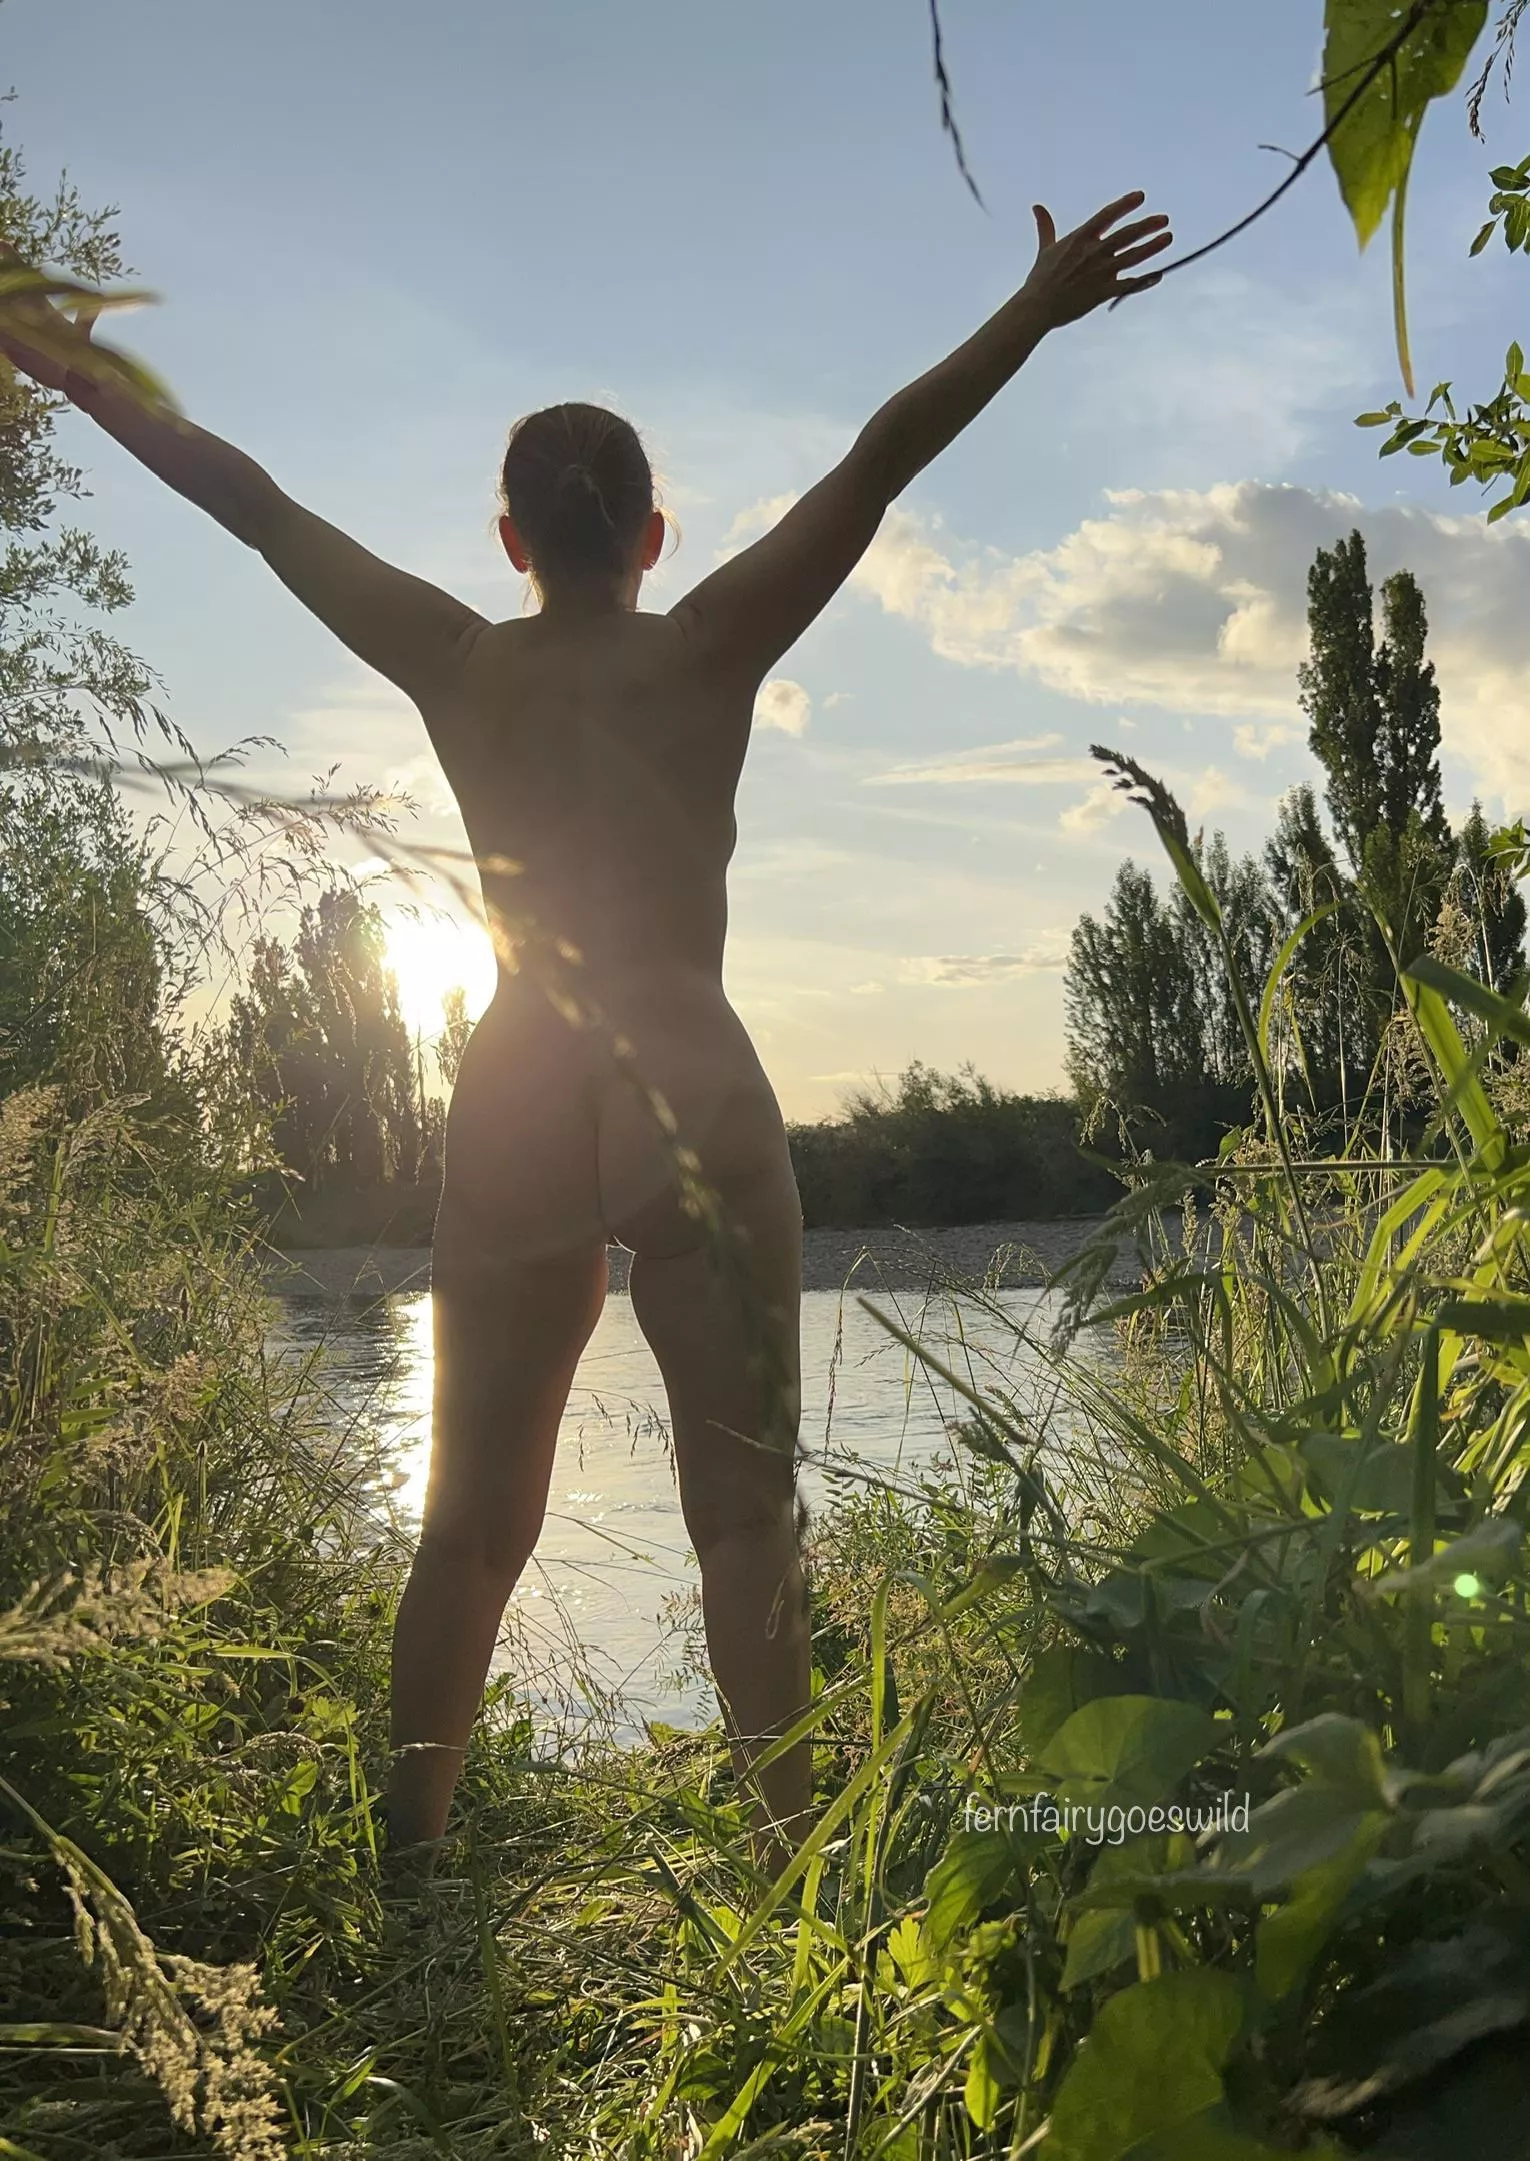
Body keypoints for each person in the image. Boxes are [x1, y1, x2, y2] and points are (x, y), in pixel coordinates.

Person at [0, 189, 1172, 1868]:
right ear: (649, 534)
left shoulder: (456, 661)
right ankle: (792, 1882)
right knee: (742, 1523)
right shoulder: (709, 646)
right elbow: (877, 460)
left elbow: (254, 508)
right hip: (687, 1074)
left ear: (507, 540)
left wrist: (90, 384)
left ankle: (409, 1867)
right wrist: (1035, 304)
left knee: (469, 1528)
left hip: (520, 1087)